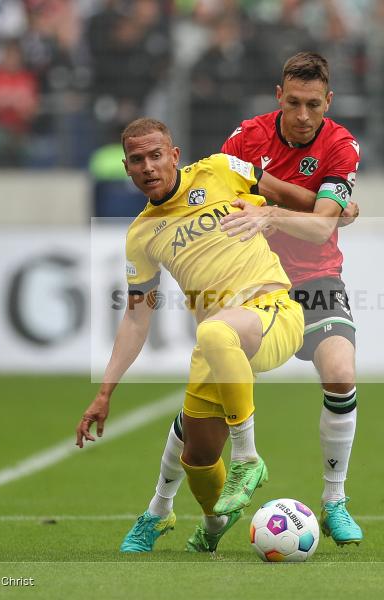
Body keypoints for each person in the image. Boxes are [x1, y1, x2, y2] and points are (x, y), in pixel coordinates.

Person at [125, 51, 365, 553]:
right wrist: (316, 203)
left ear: (329, 103)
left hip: (314, 278)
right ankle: (161, 509)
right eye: (294, 102)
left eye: (314, 105)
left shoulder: (341, 145)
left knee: (341, 372)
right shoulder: (246, 138)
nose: (303, 115)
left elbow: (322, 226)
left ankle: (336, 500)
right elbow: (220, 188)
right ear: (279, 97)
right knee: (199, 421)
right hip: (245, 286)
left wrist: (276, 210)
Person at [75, 117, 316, 554]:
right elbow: (135, 319)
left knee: (214, 330)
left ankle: (246, 459)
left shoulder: (223, 169)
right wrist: (105, 391)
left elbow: (297, 197)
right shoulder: (142, 235)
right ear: (127, 169)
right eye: (136, 160)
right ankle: (210, 524)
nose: (148, 167)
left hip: (273, 312)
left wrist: (334, 208)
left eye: (155, 156)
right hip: (218, 341)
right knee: (198, 457)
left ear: (174, 156)